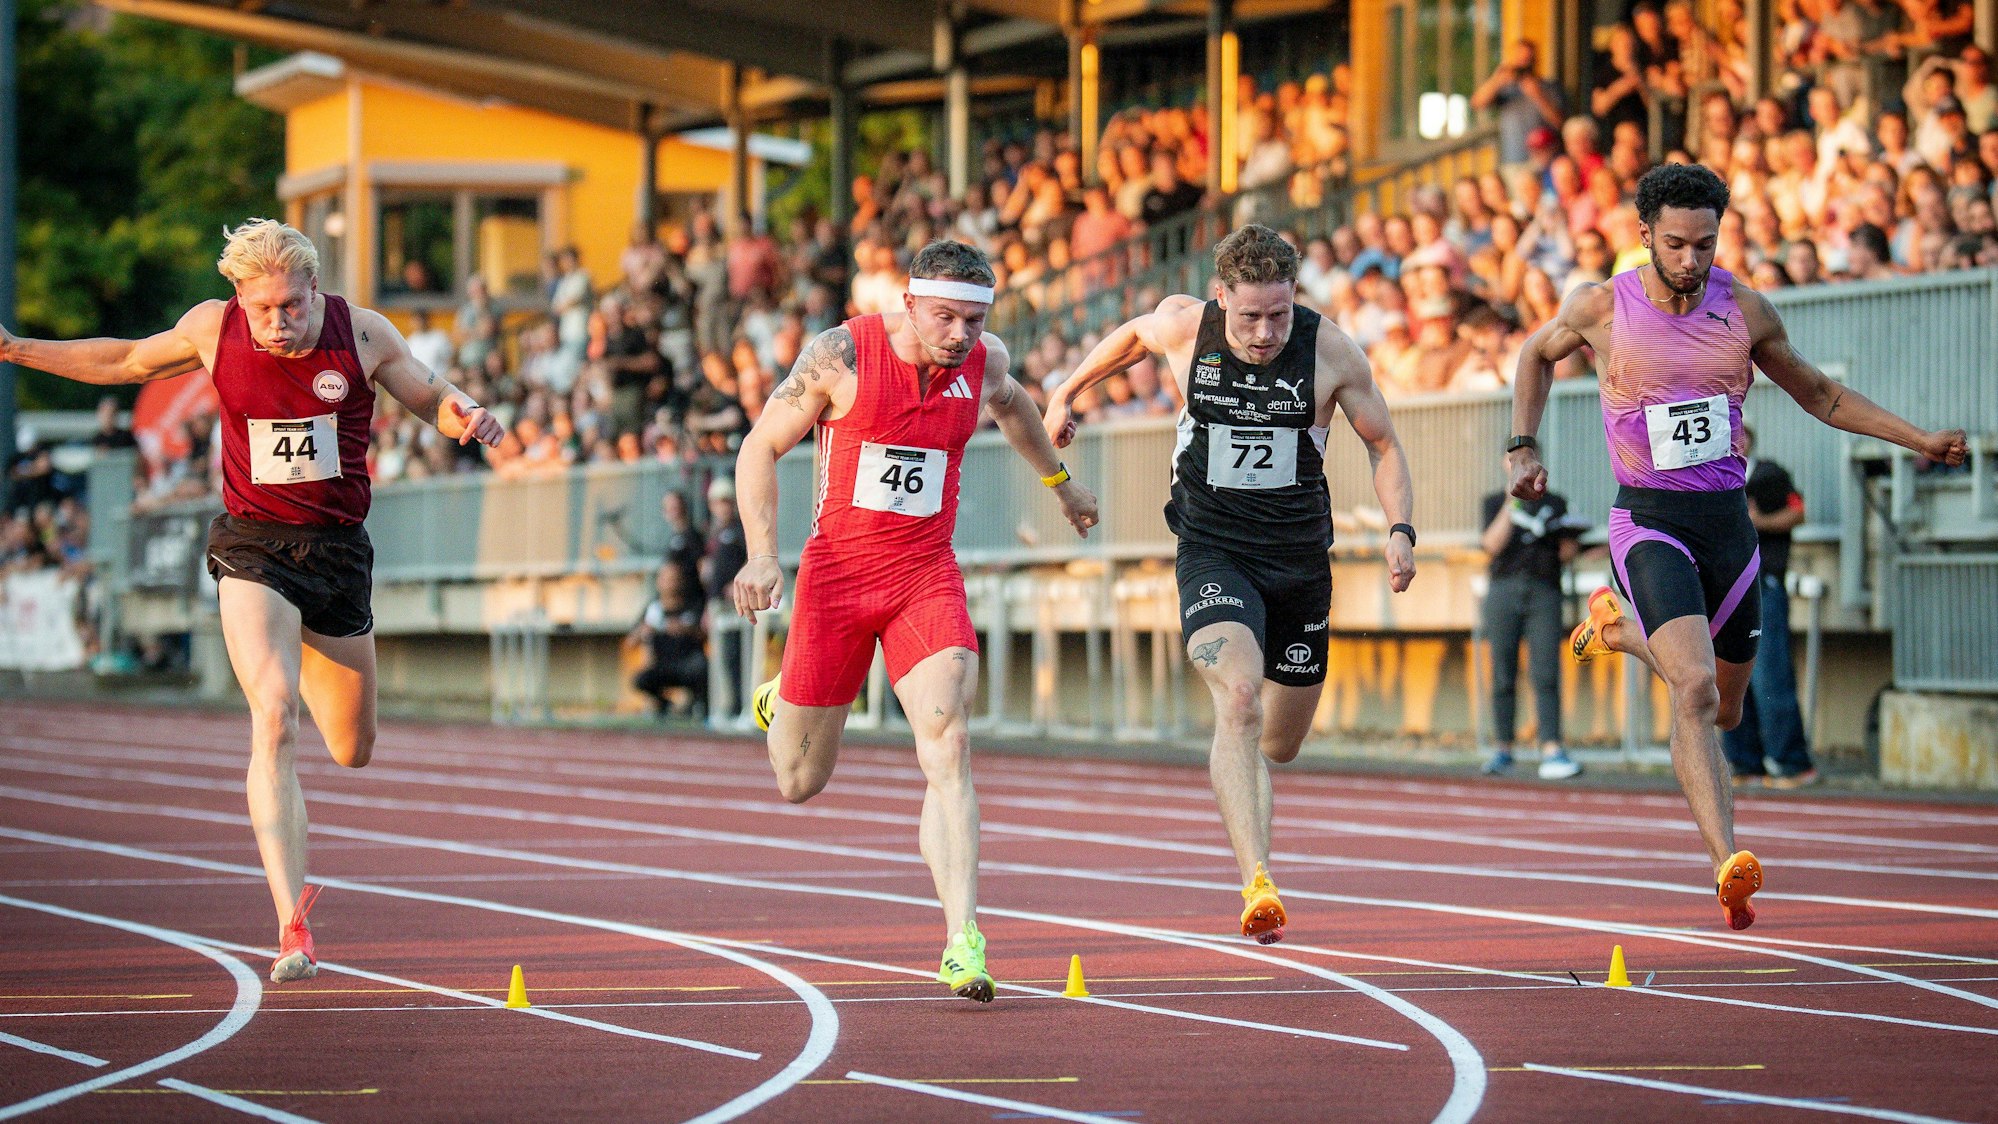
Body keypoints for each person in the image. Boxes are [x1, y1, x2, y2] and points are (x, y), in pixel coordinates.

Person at [0, 218, 504, 979]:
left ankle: (304, 646)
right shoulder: (212, 328)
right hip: (253, 549)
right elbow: (127, 361)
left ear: (314, 289)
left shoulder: (360, 333)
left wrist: (464, 414)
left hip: (338, 556)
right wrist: (16, 349)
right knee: (273, 715)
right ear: (239, 295)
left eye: (293, 306)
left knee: (352, 750)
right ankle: (291, 924)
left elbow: (429, 392)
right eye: (264, 309)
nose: (281, 323)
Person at [1505, 165, 1967, 930]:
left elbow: (1820, 394)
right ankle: (1728, 861)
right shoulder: (1600, 307)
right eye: (1677, 244)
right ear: (1645, 234)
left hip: (1728, 525)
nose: (1691, 261)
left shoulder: (1744, 309)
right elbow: (1532, 356)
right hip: (1648, 520)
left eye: (1706, 245)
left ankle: (1619, 633)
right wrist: (1522, 445)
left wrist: (1919, 437)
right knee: (1689, 690)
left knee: (1723, 707)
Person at [729, 240, 1098, 1002]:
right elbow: (760, 446)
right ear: (909, 302)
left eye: (972, 319)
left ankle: (963, 939)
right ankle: (781, 698)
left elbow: (1017, 408)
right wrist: (761, 554)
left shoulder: (984, 360)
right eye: (945, 317)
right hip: (836, 578)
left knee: (949, 736)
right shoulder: (843, 356)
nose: (959, 334)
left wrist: (1061, 485)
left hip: (923, 575)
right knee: (800, 780)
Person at [1043, 224, 1416, 945]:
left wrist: (1401, 529)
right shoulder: (1189, 328)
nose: (1266, 332)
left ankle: (1260, 821)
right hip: (1213, 549)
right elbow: (1130, 337)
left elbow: (1383, 443)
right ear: (1222, 298)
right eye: (1249, 317)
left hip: (1301, 561)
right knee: (1238, 699)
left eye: (1279, 314)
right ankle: (1258, 880)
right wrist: (1066, 394)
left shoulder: (1329, 350)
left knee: (1279, 743)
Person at [1722, 425, 1818, 788]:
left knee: (1770, 674)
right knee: (1729, 676)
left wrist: (1759, 521)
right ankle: (1745, 763)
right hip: (1727, 588)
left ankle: (1792, 762)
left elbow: (1798, 510)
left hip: (1763, 583)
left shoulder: (1768, 474)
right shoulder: (1714, 478)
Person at [1477, 488, 1587, 779]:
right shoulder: (1493, 502)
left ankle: (1551, 747)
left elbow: (1566, 552)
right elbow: (1491, 544)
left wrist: (1570, 538)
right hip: (1503, 588)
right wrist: (1511, 503)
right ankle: (1503, 748)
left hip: (1544, 589)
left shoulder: (1555, 503)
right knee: (1502, 670)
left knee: (1546, 671)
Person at [629, 563, 708, 718]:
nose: (671, 584)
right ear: (659, 582)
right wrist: (643, 630)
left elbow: (706, 635)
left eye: (675, 579)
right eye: (667, 579)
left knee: (702, 668)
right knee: (640, 679)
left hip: (688, 664)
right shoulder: (653, 609)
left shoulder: (693, 605)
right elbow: (630, 642)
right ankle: (665, 705)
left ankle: (696, 706)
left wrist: (685, 629)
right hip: (662, 665)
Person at [700, 476, 748, 720]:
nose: (722, 507)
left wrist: (740, 580)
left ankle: (739, 705)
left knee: (737, 656)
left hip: (737, 605)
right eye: (717, 502)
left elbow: (754, 560)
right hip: (720, 605)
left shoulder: (741, 530)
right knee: (723, 659)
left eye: (726, 501)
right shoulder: (714, 534)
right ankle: (724, 706)